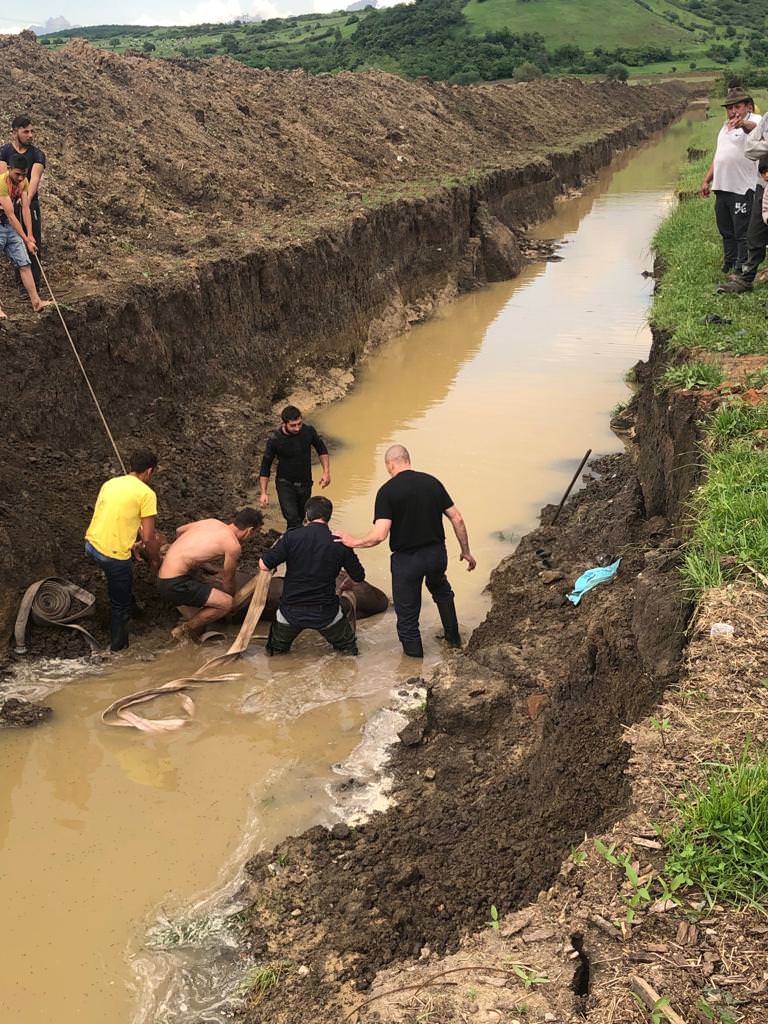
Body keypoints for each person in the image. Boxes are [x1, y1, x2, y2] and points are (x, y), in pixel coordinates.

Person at [335, 444, 476, 658]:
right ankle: (454, 641)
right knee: (441, 590)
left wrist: (353, 541)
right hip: (436, 554)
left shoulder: (387, 491)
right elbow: (457, 518)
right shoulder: (432, 482)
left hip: (407, 561)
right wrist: (466, 551)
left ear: (390, 464)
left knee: (408, 615)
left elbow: (379, 535)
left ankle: (414, 664)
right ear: (407, 460)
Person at [259, 495, 364, 655]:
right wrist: (348, 583)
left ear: (307, 515)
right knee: (349, 652)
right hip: (326, 614)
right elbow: (359, 576)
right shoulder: (340, 542)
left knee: (274, 654)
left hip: (290, 612)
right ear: (328, 517)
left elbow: (264, 565)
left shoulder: (291, 537)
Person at [85, 450, 161, 652]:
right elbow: (148, 538)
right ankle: (118, 649)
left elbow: (115, 514)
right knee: (120, 606)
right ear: (149, 471)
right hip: (113, 557)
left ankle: (132, 603)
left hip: (91, 545)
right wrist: (154, 560)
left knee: (123, 577)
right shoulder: (147, 494)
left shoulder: (110, 483)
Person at [157, 508, 263, 641]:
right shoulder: (232, 545)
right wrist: (231, 603)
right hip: (176, 584)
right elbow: (228, 579)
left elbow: (179, 530)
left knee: (199, 626)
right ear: (250, 530)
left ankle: (186, 641)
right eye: (255, 533)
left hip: (163, 577)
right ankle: (182, 630)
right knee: (226, 603)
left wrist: (187, 557)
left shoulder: (212, 523)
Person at [700, 87, 760, 276]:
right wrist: (707, 180)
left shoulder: (754, 121)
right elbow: (719, 157)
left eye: (737, 106)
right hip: (722, 188)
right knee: (726, 230)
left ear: (748, 106)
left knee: (742, 231)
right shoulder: (724, 127)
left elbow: (756, 131)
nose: (733, 111)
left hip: (742, 188)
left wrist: (743, 124)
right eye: (729, 108)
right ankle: (729, 262)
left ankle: (742, 267)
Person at [718, 99, 768, 294]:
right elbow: (750, 149)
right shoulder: (766, 120)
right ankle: (746, 279)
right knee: (755, 234)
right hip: (762, 185)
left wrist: (763, 145)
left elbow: (755, 144)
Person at [258, 405, 330, 529]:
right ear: (283, 423)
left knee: (302, 517)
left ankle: (294, 539)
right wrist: (264, 492)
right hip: (285, 483)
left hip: (305, 482)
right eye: (293, 425)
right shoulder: (275, 439)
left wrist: (326, 472)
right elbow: (266, 465)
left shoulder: (308, 431)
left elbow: (322, 450)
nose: (297, 428)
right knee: (292, 517)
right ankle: (294, 543)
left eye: (299, 424)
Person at [0, 115, 46, 291]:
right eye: (26, 131)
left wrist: (22, 197)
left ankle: (33, 287)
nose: (30, 135)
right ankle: (21, 284)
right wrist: (11, 199)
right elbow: (4, 178)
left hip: (28, 201)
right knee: (15, 240)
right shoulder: (4, 152)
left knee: (32, 238)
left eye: (32, 131)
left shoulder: (37, 154)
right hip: (6, 201)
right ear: (15, 132)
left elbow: (33, 180)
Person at [0, 153, 49, 313]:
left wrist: (30, 235)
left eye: (23, 174)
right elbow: (11, 214)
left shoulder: (24, 182)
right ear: (9, 169)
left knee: (24, 263)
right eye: (17, 174)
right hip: (4, 222)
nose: (21, 178)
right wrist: (26, 240)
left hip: (10, 227)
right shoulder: (2, 183)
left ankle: (36, 302)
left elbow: (26, 208)